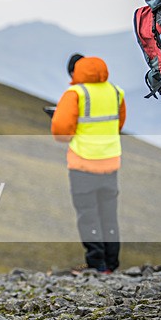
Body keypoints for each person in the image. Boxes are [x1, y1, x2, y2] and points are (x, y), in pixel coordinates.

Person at [52, 54, 126, 274]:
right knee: (109, 215)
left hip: (83, 165)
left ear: (76, 72)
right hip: (110, 164)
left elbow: (61, 132)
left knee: (88, 215)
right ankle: (111, 264)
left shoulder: (75, 94)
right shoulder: (116, 92)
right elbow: (118, 124)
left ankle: (96, 264)